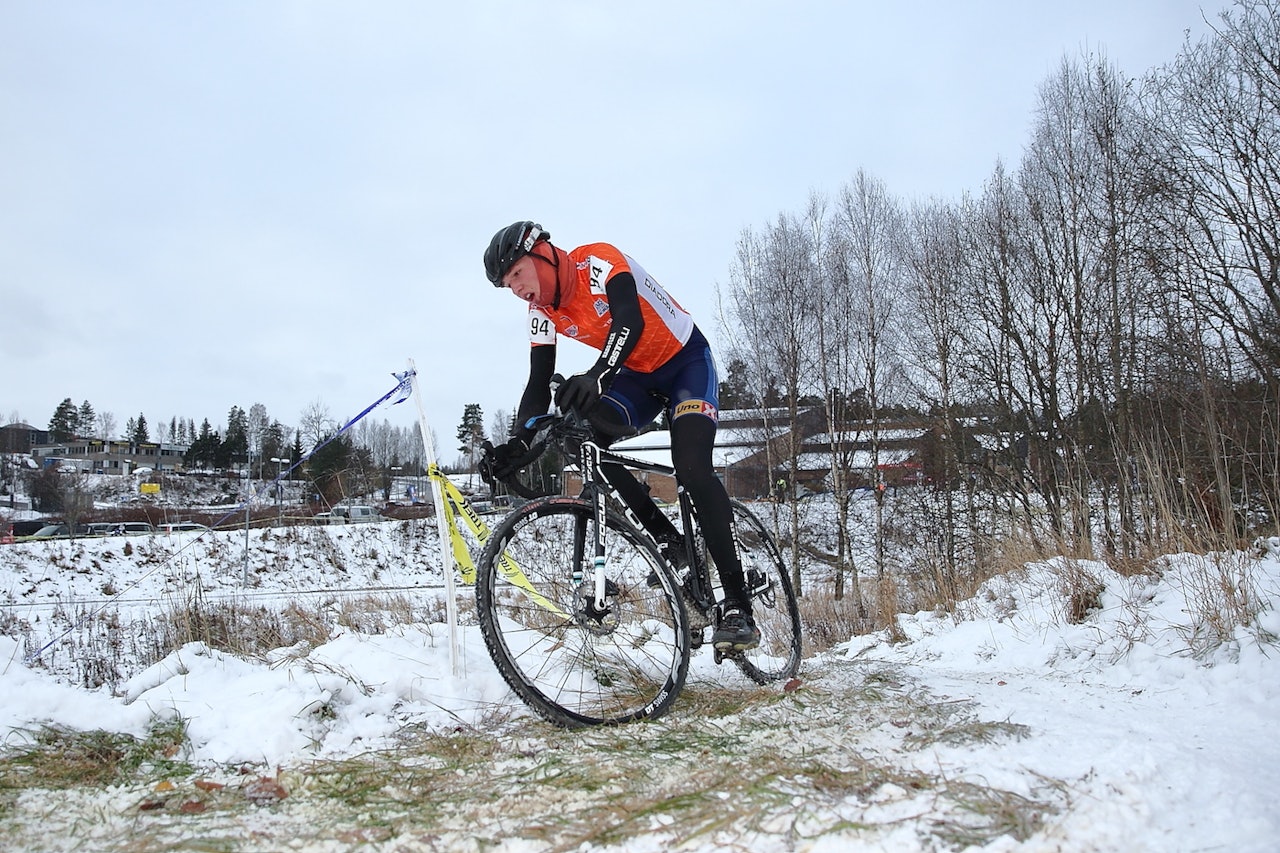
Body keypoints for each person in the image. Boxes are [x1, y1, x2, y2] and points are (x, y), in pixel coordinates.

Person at [480, 220, 760, 652]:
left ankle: (738, 605)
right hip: (637, 379)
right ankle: (670, 541)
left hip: (686, 364)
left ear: (542, 253)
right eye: (506, 284)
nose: (515, 288)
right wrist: (518, 445)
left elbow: (626, 321)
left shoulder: (596, 262)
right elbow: (538, 384)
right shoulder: (540, 312)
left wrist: (597, 375)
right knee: (577, 436)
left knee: (691, 467)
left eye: (516, 274)